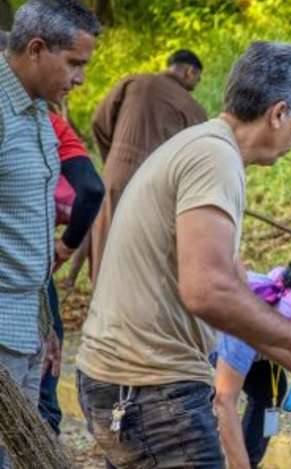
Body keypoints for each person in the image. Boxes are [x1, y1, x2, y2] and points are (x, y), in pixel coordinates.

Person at [76, 43, 291, 468]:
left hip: (129, 382)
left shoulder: (207, 147)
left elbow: (233, 288)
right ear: (279, 113)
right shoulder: (214, 158)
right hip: (148, 387)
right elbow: (207, 291)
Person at [0, 1, 99, 467]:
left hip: (27, 323)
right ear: (37, 49)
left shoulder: (38, 109)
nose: (79, 78)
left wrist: (46, 319)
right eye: (74, 63)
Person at [89, 49, 208, 283]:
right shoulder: (194, 110)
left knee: (107, 255)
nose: (195, 85)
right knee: (143, 265)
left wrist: (114, 162)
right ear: (189, 71)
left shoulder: (133, 83)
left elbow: (98, 122)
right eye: (197, 79)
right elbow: (195, 161)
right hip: (156, 191)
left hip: (114, 180)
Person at [214, 268, 291, 469]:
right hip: (202, 336)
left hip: (258, 337)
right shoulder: (244, 327)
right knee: (208, 403)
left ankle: (249, 461)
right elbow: (223, 400)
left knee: (269, 393)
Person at [38, 110, 105, 435]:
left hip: (25, 270)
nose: (76, 79)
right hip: (33, 274)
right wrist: (64, 247)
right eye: (72, 64)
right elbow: (91, 189)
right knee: (39, 395)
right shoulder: (47, 120)